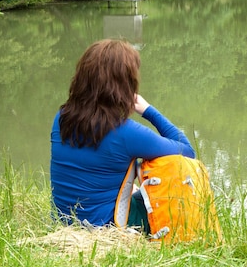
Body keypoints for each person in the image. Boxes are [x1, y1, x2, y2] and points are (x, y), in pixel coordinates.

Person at [50, 39, 195, 232]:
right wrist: (149, 111)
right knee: (175, 197)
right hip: (105, 227)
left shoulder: (60, 118)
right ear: (125, 84)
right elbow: (186, 151)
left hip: (64, 222)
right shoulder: (126, 132)